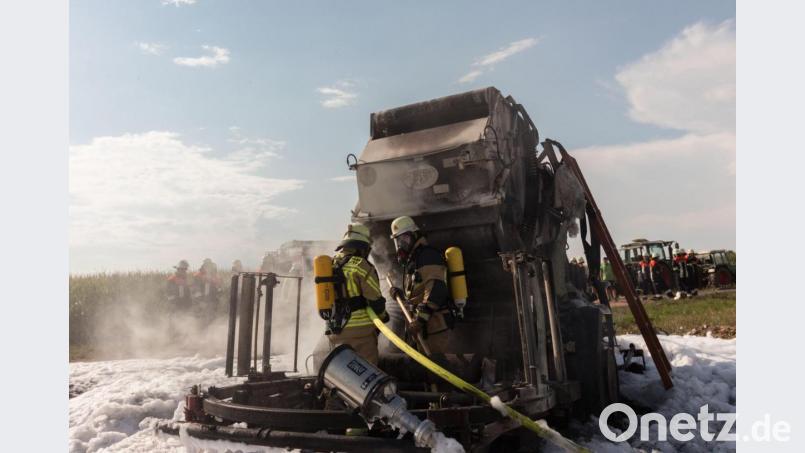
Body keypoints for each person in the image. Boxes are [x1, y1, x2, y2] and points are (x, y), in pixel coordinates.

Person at [323, 223, 389, 365]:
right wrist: (383, 317)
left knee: (344, 373)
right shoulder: (361, 265)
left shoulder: (329, 265)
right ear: (362, 247)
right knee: (367, 374)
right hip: (360, 333)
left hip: (334, 331)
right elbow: (375, 299)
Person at [388, 216, 453, 355]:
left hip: (433, 328)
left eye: (405, 239)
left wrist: (419, 320)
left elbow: (436, 290)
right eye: (398, 241)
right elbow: (417, 292)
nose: (401, 245)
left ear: (415, 235)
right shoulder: (414, 259)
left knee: (437, 369)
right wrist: (400, 294)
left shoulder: (427, 255)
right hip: (422, 329)